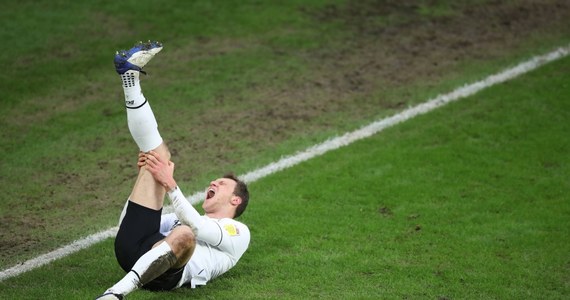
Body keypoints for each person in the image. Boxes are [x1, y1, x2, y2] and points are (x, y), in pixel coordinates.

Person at [96, 41, 251, 299]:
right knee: (157, 158)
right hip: (132, 251)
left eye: (222, 184)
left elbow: (199, 229)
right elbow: (127, 224)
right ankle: (129, 77)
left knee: (186, 234)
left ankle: (116, 293)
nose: (214, 182)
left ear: (236, 200)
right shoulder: (177, 218)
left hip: (167, 277)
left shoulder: (238, 233)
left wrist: (169, 184)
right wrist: (145, 177)